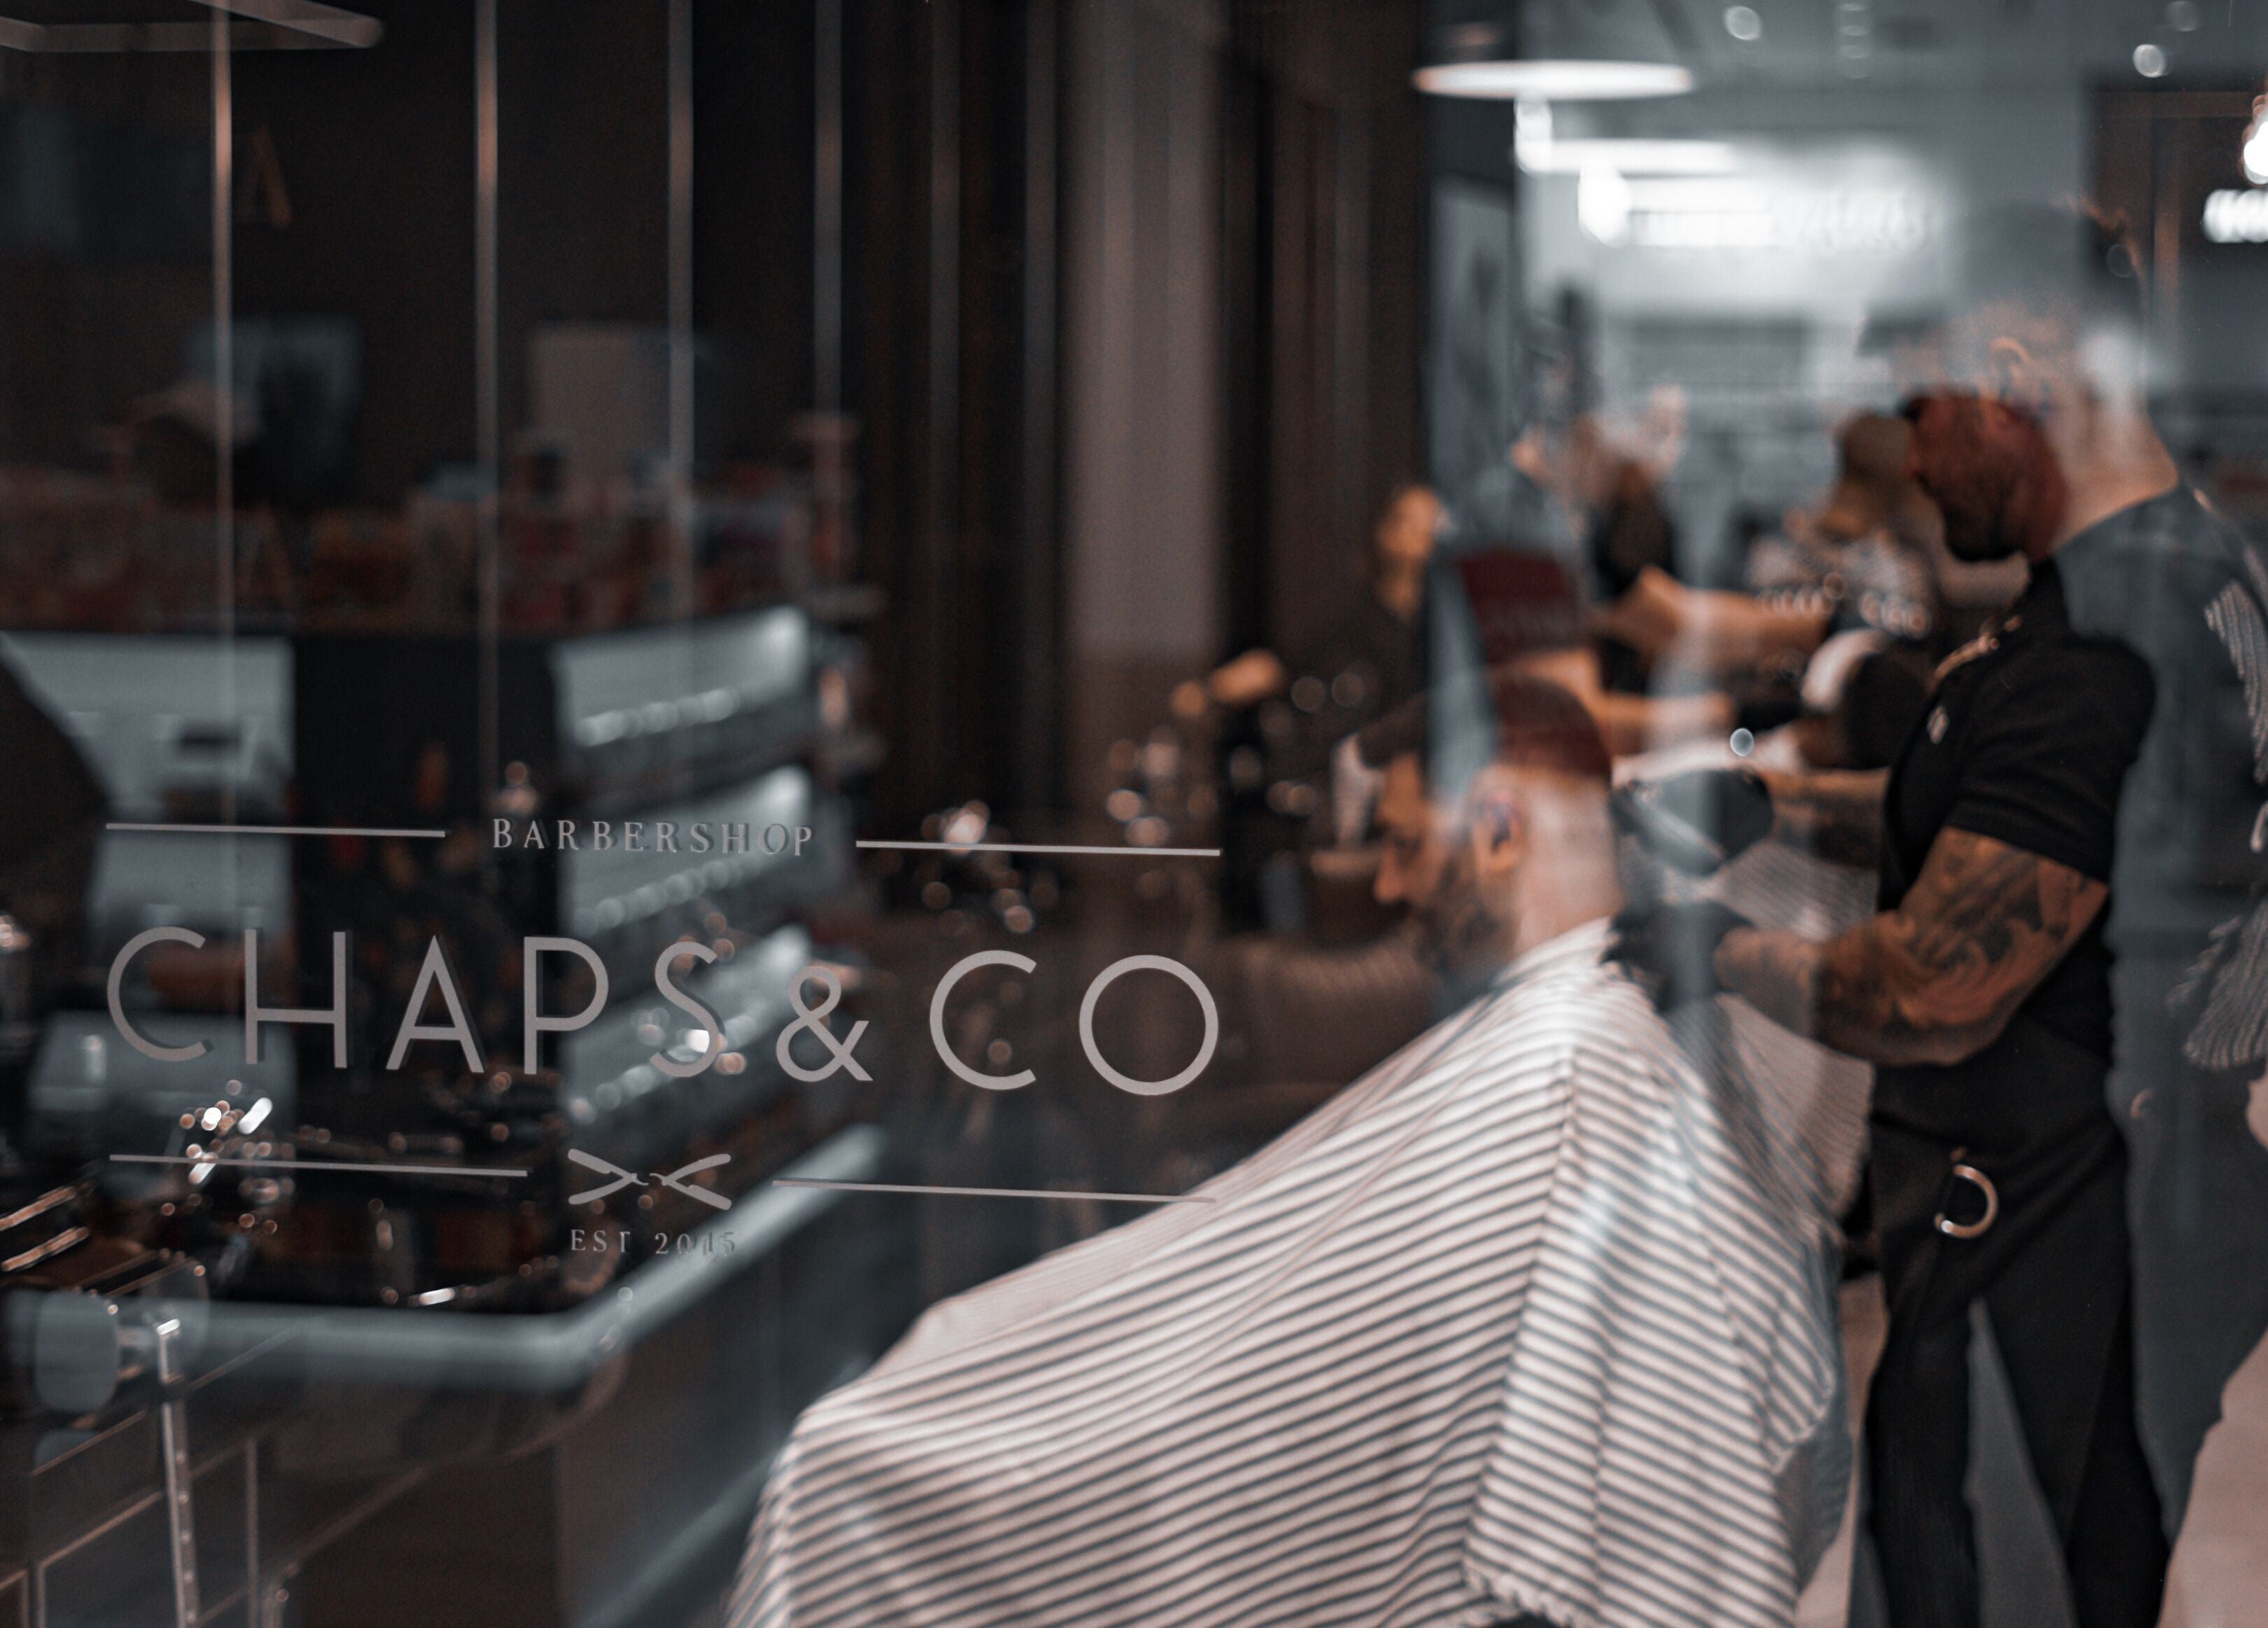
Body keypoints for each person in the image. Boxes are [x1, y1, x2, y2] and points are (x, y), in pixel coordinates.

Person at [732, 674, 1849, 1628]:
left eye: (1409, 845)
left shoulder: (1565, 1066)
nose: (1398, 885)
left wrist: (926, 1431)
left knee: (852, 1462)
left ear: (1502, 829)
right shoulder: (1619, 1020)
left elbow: (1292, 1377)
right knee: (954, 1353)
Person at [1614, 202, 2268, 1628]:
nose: (1909, 455)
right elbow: (2027, 830)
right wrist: (1778, 810)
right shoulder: (2177, 573)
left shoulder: (2107, 641)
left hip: (2064, 1255)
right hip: (2136, 1210)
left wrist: (1708, 951)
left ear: (2017, 373)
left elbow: (1935, 984)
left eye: (1921, 406)